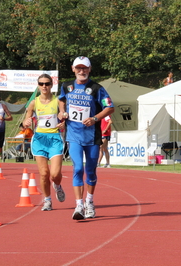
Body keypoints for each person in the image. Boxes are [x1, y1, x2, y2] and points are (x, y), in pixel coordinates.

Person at [58, 56, 114, 220]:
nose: (81, 71)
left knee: (90, 171)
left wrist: (95, 118)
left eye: (85, 68)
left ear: (89, 69)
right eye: (78, 68)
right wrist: (62, 112)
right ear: (73, 69)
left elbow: (110, 107)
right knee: (77, 169)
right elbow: (61, 100)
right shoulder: (66, 86)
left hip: (92, 136)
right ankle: (79, 205)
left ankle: (89, 201)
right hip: (73, 135)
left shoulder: (97, 88)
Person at [23, 74, 65, 211]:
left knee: (54, 174)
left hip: (54, 139)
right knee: (43, 174)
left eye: (47, 83)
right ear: (38, 85)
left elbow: (64, 117)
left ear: (51, 85)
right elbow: (25, 121)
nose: (44, 86)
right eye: (41, 84)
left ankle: (57, 185)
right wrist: (26, 122)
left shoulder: (58, 101)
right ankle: (47, 200)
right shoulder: (34, 102)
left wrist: (63, 122)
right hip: (40, 139)